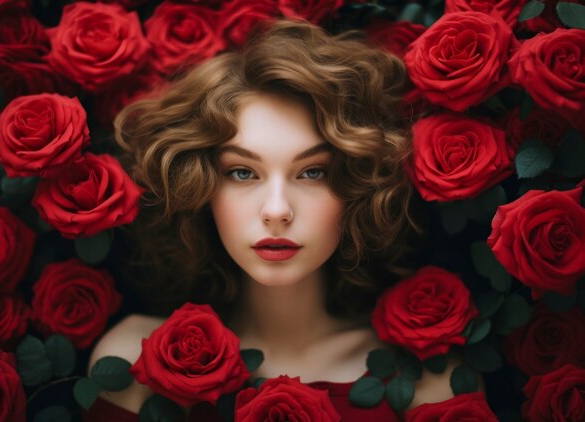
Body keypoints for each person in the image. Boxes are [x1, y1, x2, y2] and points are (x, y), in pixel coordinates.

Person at [85, 20, 460, 421]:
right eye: (243, 172)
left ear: (357, 186)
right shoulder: (133, 362)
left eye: (313, 172)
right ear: (200, 186)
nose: (277, 210)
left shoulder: (428, 379)